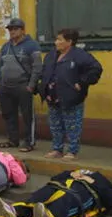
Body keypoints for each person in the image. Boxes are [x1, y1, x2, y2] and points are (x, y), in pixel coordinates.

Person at [0, 169, 112, 217]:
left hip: (83, 194)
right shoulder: (74, 172)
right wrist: (70, 174)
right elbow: (54, 177)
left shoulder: (100, 179)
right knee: (41, 194)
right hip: (60, 186)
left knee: (66, 200)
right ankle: (15, 211)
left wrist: (91, 181)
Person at [39, 28, 103, 160]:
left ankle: (72, 151)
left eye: (59, 39)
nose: (56, 42)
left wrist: (82, 82)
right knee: (55, 124)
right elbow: (44, 71)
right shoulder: (52, 55)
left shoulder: (80, 55)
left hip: (71, 96)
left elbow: (96, 69)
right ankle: (57, 149)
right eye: (56, 39)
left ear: (69, 41)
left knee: (72, 125)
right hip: (53, 96)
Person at [0, 18, 43, 152]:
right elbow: (0, 66)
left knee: (27, 115)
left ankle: (29, 142)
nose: (12, 32)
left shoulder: (32, 46)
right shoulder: (6, 46)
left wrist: (31, 85)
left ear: (23, 30)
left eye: (15, 29)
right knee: (9, 114)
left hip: (23, 86)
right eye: (10, 29)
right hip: (5, 87)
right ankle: (12, 139)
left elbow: (37, 67)